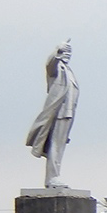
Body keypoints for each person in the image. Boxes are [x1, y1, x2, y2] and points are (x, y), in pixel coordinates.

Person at [25, 40, 80, 189]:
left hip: (68, 114)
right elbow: (49, 65)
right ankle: (52, 178)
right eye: (65, 52)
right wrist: (57, 50)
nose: (68, 54)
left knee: (59, 146)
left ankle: (55, 176)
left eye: (69, 52)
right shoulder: (57, 69)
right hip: (58, 112)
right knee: (55, 145)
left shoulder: (69, 71)